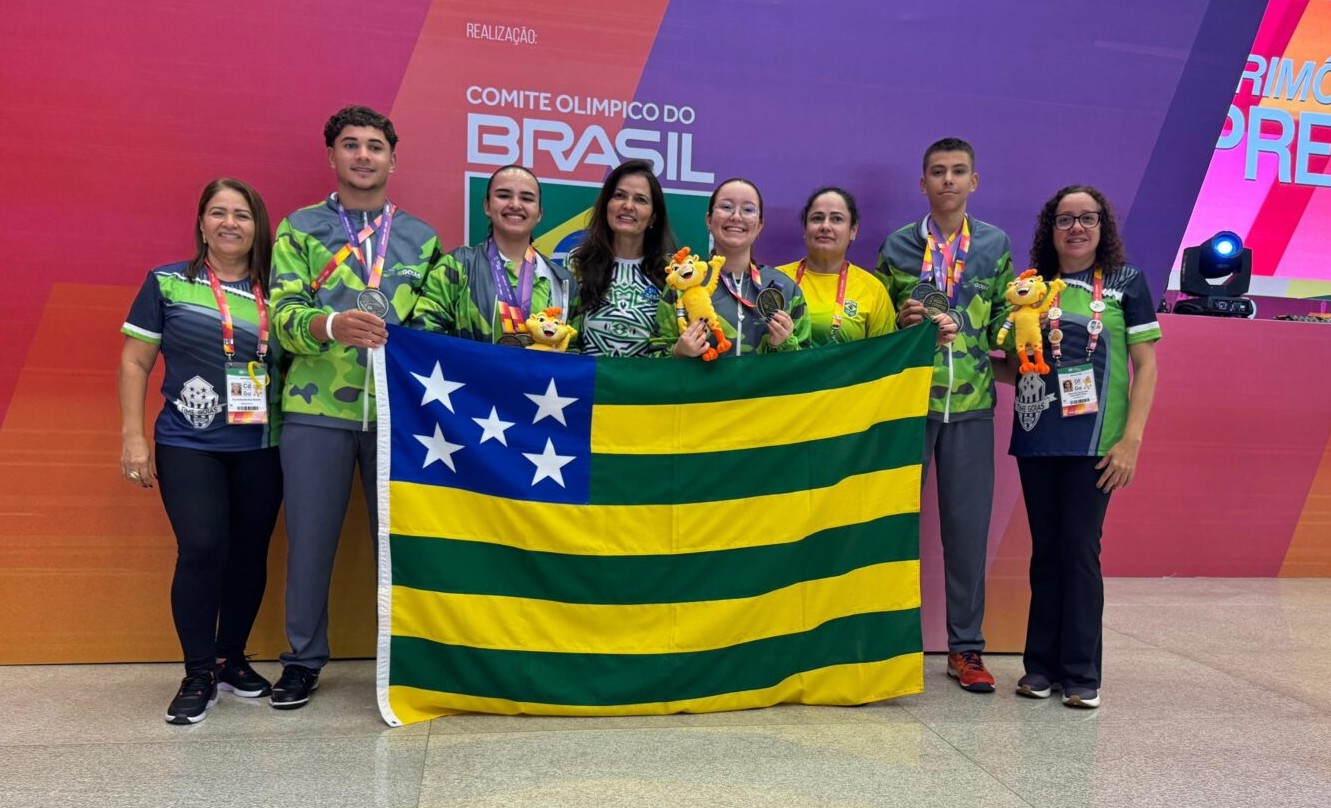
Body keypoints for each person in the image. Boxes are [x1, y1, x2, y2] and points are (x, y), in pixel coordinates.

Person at [268, 105, 443, 709]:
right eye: (351, 145)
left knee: (400, 546)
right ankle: (302, 661)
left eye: (375, 146)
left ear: (394, 159)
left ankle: (405, 660)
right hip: (316, 408)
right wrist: (331, 324)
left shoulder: (422, 238)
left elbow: (432, 326)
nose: (363, 155)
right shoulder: (299, 228)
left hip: (400, 417)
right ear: (332, 156)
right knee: (310, 544)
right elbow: (281, 318)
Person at [118, 178, 283, 724]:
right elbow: (135, 361)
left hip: (262, 444)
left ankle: (230, 658)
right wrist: (133, 437)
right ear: (202, 223)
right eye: (218, 212)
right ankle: (197, 672)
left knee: (249, 553)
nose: (230, 223)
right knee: (203, 548)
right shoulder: (167, 282)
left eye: (242, 214)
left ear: (258, 227)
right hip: (188, 443)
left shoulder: (280, 292)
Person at [1005, 185, 1160, 709]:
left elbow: (1146, 367)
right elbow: (1018, 366)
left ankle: (1081, 673)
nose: (1076, 228)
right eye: (1065, 219)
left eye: (1087, 218)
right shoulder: (1032, 287)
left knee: (1079, 549)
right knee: (1046, 551)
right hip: (1037, 433)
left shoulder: (1125, 281)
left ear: (1102, 226)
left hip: (1096, 441)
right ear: (1050, 229)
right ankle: (1039, 668)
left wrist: (1130, 441)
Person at [876, 137, 1014, 693]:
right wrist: (903, 325)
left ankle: (966, 648)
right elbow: (880, 327)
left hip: (973, 403)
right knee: (892, 527)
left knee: (967, 532)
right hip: (911, 404)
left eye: (958, 171)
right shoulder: (898, 247)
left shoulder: (994, 245)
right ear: (923, 183)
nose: (948, 180)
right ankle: (887, 643)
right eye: (938, 171)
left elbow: (1004, 320)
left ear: (973, 182)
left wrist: (1018, 332)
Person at [411, 165, 578, 343]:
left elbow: (574, 349)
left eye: (527, 198)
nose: (515, 205)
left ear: (539, 214)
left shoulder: (563, 282)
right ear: (487, 207)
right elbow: (425, 336)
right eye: (504, 196)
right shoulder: (457, 266)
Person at [660, 177, 810, 357]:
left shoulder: (786, 289)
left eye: (748, 209)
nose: (736, 216)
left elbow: (809, 364)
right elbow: (654, 358)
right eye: (726, 207)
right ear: (709, 220)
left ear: (760, 225)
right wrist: (678, 352)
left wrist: (785, 344)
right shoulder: (683, 283)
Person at [567, 159, 676, 356]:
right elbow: (566, 341)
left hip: (650, 376)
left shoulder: (671, 272)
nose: (628, 205)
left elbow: (670, 347)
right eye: (619, 196)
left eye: (640, 200)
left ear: (653, 217)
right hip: (590, 376)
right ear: (606, 205)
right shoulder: (578, 263)